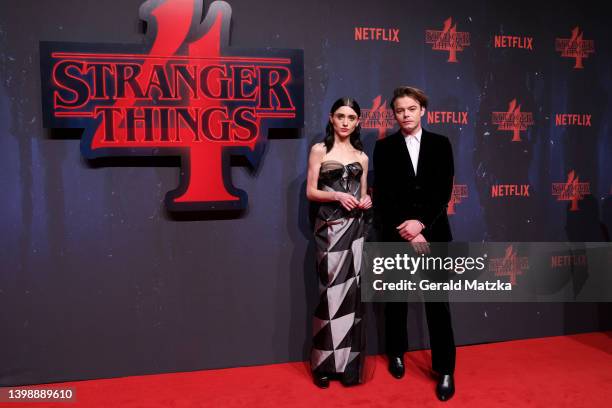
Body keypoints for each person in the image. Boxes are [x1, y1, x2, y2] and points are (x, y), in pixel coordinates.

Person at [373, 86, 456, 401]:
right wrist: (406, 229)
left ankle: (445, 368)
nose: (405, 114)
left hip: (433, 234)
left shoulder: (441, 144)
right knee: (396, 300)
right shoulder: (384, 148)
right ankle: (396, 353)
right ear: (393, 114)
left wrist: (420, 225)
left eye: (411, 108)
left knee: (438, 304)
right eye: (399, 110)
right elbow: (385, 194)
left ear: (423, 110)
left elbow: (442, 191)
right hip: (396, 235)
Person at [306, 97, 372, 388]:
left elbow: (363, 195)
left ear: (358, 122)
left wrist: (366, 200)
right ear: (331, 118)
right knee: (330, 294)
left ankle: (348, 366)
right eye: (341, 116)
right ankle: (323, 364)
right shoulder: (319, 150)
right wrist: (335, 195)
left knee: (352, 296)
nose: (346, 122)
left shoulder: (362, 156)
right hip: (329, 228)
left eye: (352, 117)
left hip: (356, 229)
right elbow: (310, 191)